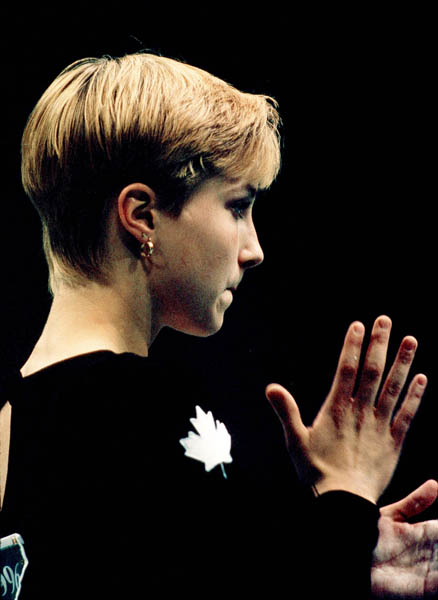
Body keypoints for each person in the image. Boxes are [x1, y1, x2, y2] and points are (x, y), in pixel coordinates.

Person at [0, 50, 436, 599]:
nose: (254, 249)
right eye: (238, 206)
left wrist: (338, 541)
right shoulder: (138, 407)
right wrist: (347, 487)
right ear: (142, 216)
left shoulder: (11, 425)